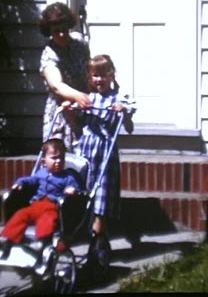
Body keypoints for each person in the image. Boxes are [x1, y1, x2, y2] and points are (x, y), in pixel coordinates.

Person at [62, 54, 136, 267]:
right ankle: (81, 236)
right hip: (85, 153)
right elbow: (77, 125)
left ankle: (96, 240)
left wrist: (125, 113)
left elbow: (129, 128)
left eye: (103, 75)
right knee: (83, 195)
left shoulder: (119, 99)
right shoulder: (87, 99)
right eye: (95, 76)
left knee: (101, 199)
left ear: (111, 75)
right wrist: (70, 110)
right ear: (89, 77)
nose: (99, 80)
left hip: (105, 155)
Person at [0, 138, 81, 257]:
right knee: (21, 214)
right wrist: (20, 183)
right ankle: (8, 239)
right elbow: (30, 180)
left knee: (48, 220)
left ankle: (41, 241)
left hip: (52, 207)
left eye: (61, 158)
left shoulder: (67, 176)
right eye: (54, 158)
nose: (58, 161)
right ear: (43, 161)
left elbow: (75, 187)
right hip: (35, 205)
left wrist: (72, 189)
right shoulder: (41, 173)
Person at [39, 2, 91, 152]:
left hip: (84, 109)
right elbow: (56, 85)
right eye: (56, 31)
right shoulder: (49, 54)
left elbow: (89, 67)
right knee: (62, 163)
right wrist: (77, 96)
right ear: (49, 31)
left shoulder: (79, 42)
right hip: (62, 114)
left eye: (64, 29)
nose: (62, 34)